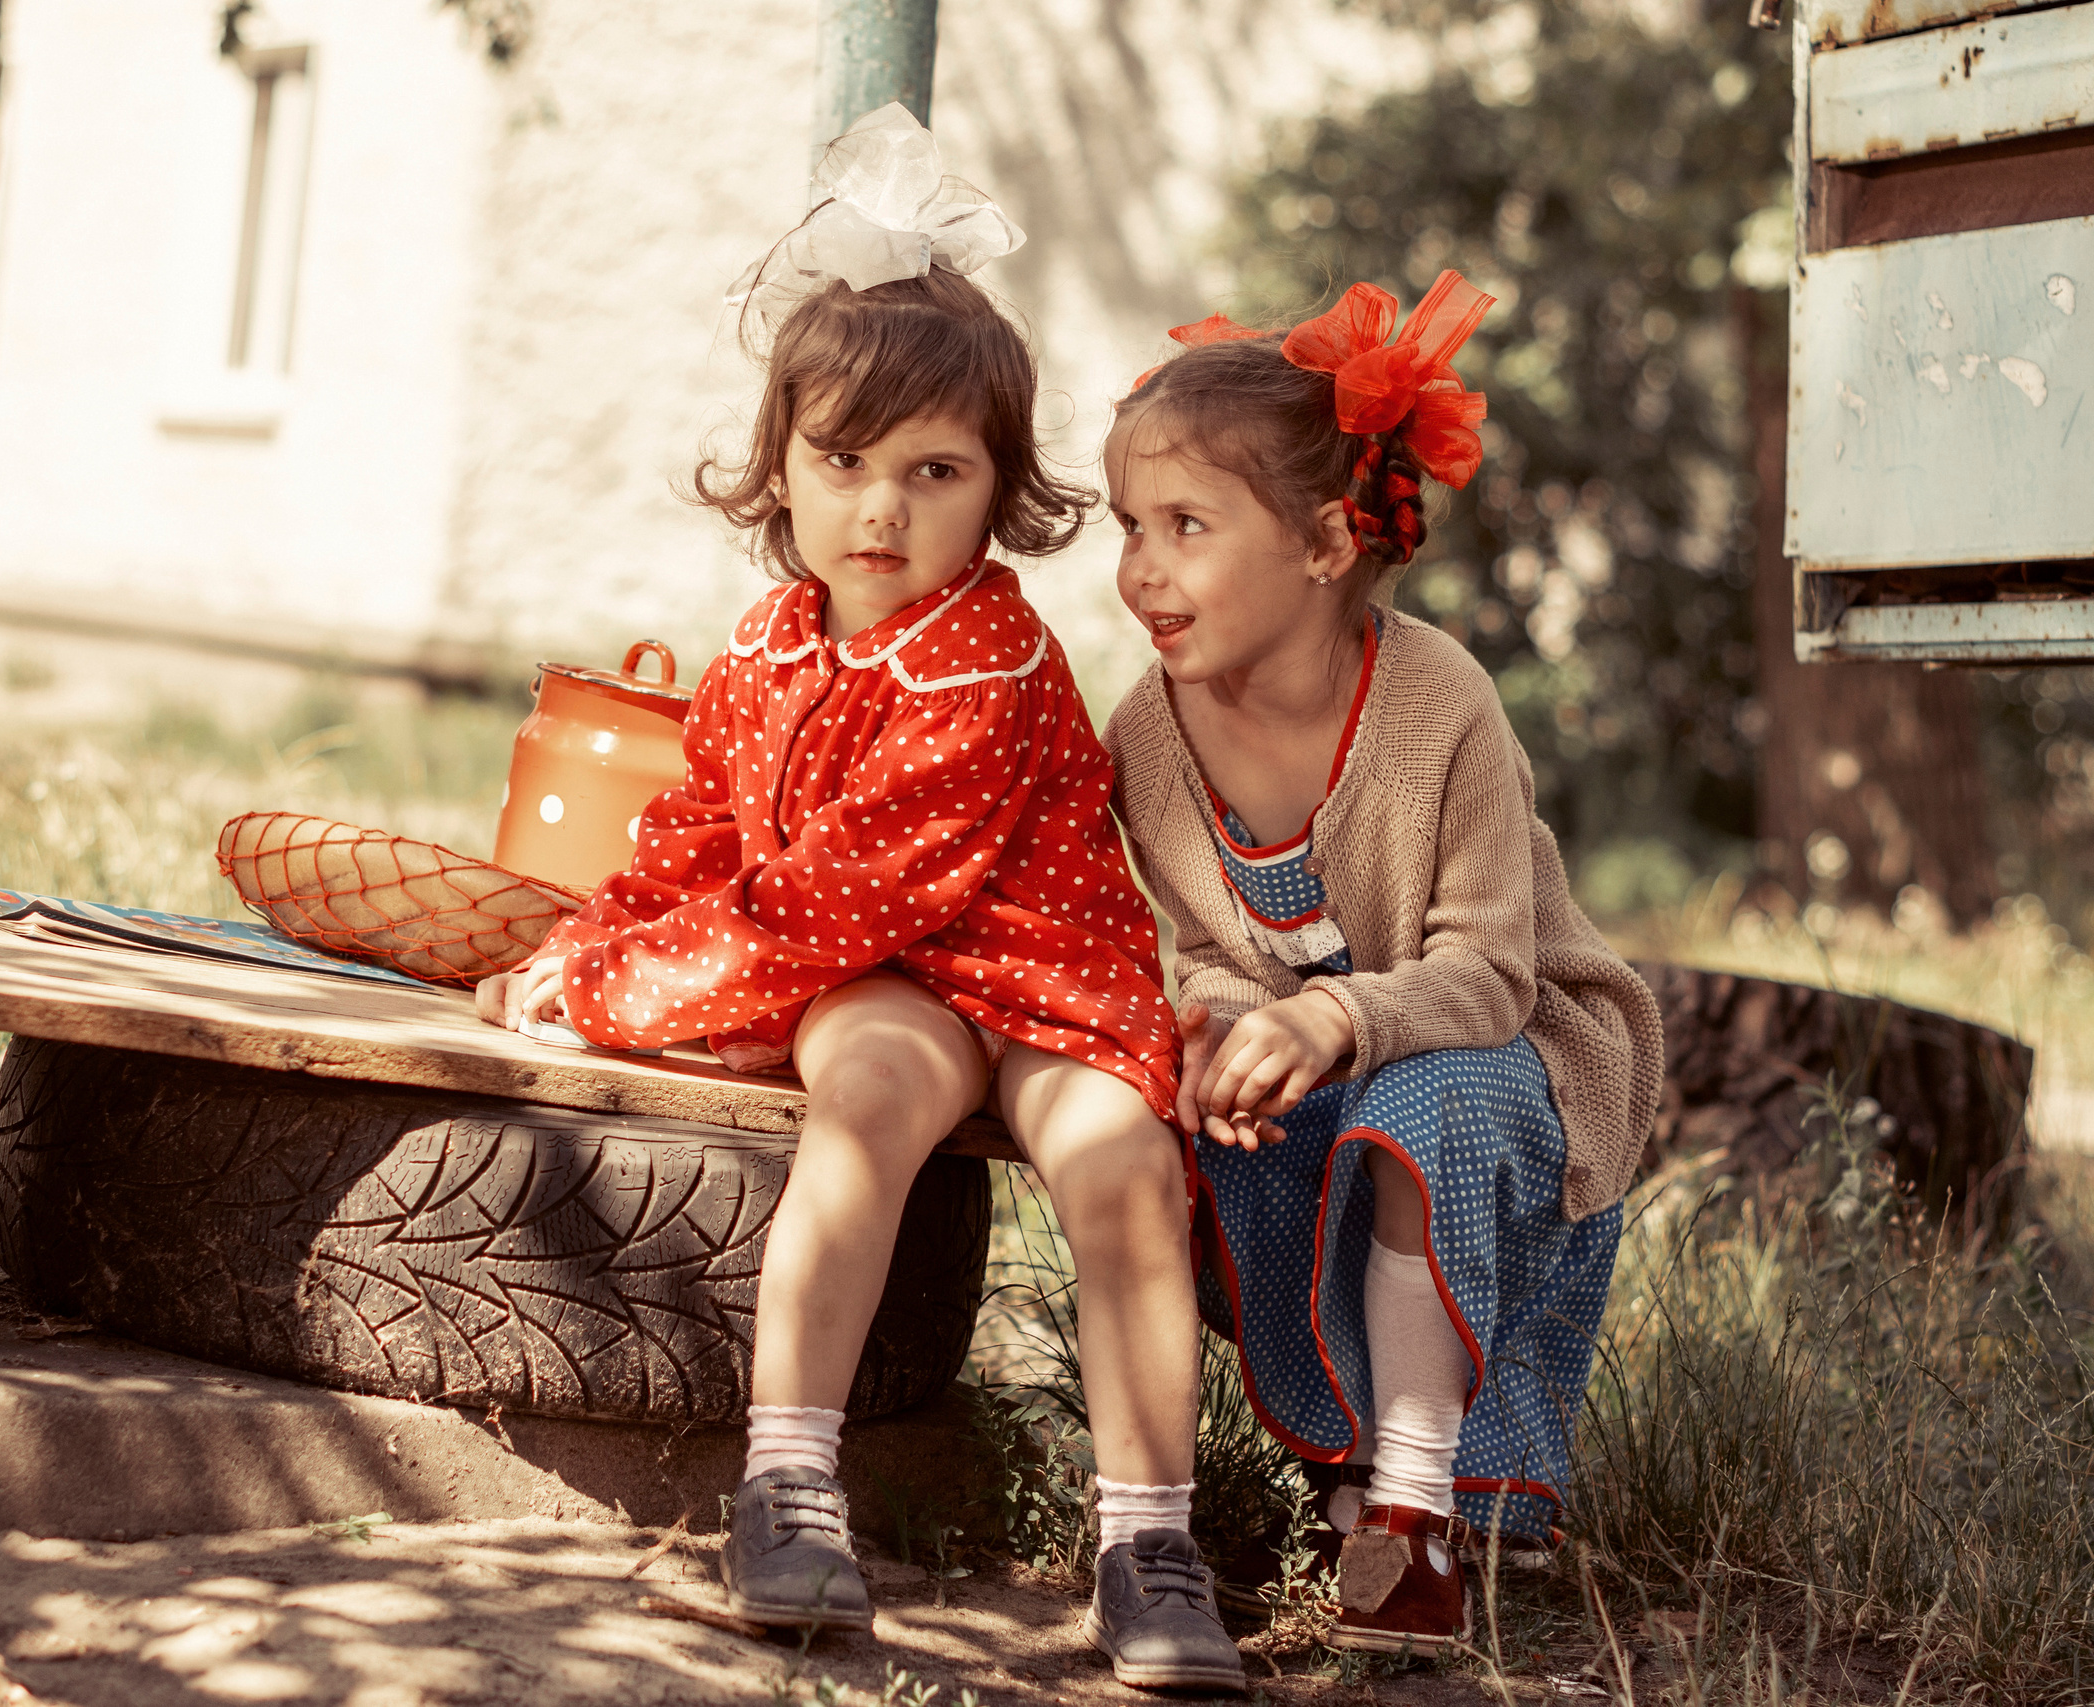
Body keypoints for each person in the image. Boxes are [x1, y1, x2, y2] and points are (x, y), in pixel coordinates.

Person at [475, 106, 1251, 1693]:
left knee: (1120, 1161)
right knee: (872, 1095)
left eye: (934, 472)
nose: (880, 511)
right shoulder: (770, 641)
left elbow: (830, 899)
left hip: (1042, 976)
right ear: (781, 465)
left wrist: (621, 993)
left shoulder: (983, 662)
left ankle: (1149, 1539)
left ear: (1001, 489)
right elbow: (702, 829)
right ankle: (788, 1478)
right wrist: (590, 941)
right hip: (892, 982)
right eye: (842, 462)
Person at [1100, 273, 1665, 1658]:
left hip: (1512, 1052)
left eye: (1185, 526)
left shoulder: (1436, 703)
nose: (1142, 569)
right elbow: (1204, 949)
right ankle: (1346, 1467)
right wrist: (1222, 1027)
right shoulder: (1150, 736)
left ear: (1324, 542)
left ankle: (1414, 1514)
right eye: (1129, 527)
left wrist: (1334, 1018)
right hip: (1334, 1060)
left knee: (1425, 1107)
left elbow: (1491, 977)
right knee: (1207, 1124)